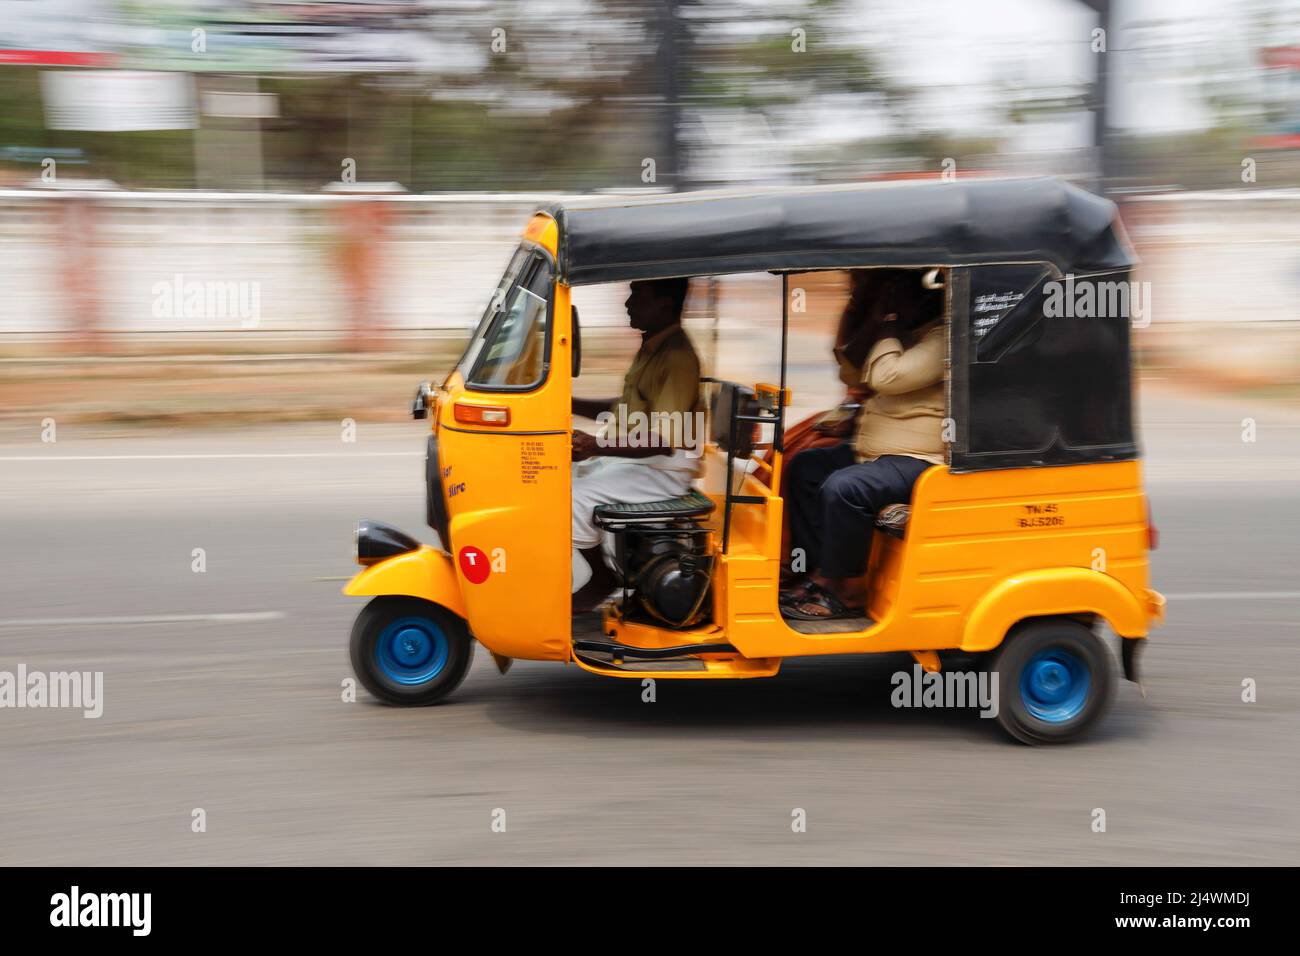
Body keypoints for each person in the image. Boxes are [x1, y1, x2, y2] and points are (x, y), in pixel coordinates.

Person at [781, 273, 945, 620]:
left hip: (918, 459)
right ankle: (816, 571)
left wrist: (888, 324)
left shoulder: (941, 337)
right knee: (806, 467)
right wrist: (863, 316)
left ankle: (846, 589)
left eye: (895, 298)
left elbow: (889, 376)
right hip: (874, 453)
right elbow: (853, 376)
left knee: (846, 487)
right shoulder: (905, 336)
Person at [571, 277, 702, 611]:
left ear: (664, 304)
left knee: (572, 496)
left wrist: (595, 446)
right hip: (640, 457)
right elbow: (625, 408)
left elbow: (663, 439)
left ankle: (602, 578)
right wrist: (569, 404)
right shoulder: (653, 346)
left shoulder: (677, 357)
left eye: (637, 295)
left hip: (664, 467)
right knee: (552, 473)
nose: (628, 304)